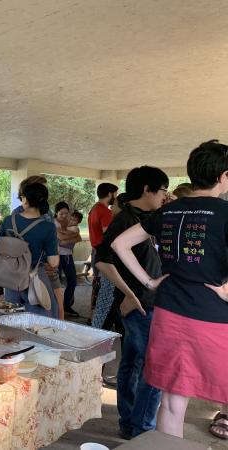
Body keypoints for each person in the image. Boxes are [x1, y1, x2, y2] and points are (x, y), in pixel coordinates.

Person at [112, 140, 228, 440]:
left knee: (173, 401)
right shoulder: (225, 213)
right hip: (212, 320)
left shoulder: (170, 210)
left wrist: (150, 282)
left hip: (168, 313)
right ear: (224, 177)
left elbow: (119, 244)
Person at [95, 166, 169, 439]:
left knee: (133, 361)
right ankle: (138, 427)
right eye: (162, 190)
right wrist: (129, 293)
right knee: (147, 365)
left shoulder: (153, 217)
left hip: (154, 302)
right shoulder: (125, 220)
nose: (165, 195)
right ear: (147, 190)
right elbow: (103, 260)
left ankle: (130, 423)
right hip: (138, 305)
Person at [0, 182, 60, 318]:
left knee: (11, 320)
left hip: (10, 278)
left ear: (25, 199)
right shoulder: (47, 227)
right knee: (40, 322)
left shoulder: (9, 220)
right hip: (35, 277)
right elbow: (54, 261)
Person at [13, 175, 65, 319]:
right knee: (42, 311)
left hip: (49, 267)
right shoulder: (17, 214)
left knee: (58, 306)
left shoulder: (47, 213)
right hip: (31, 269)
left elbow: (52, 239)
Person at [88, 182, 119, 317]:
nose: (116, 197)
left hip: (95, 250)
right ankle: (99, 315)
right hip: (104, 253)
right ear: (109, 194)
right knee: (104, 286)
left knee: (97, 283)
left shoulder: (94, 208)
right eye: (115, 194)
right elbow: (108, 233)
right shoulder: (105, 211)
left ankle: (92, 314)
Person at [55, 202, 82, 317]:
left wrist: (68, 237)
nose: (64, 216)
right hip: (56, 256)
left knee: (72, 281)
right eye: (62, 213)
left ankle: (66, 305)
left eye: (66, 213)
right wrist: (73, 236)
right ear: (56, 212)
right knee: (56, 283)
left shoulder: (69, 223)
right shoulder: (53, 223)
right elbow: (60, 239)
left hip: (68, 256)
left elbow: (79, 237)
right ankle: (56, 307)